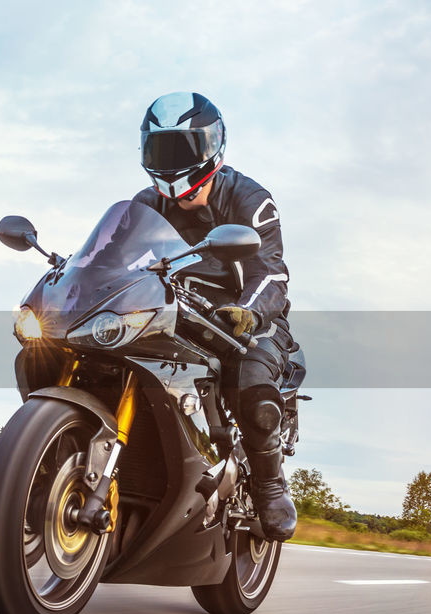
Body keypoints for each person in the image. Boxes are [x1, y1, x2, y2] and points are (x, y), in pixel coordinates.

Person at [132, 91, 298, 541]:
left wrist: (246, 312)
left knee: (251, 383)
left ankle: (269, 484)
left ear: (209, 148)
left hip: (247, 320)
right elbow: (116, 256)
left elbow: (272, 274)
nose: (168, 161)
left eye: (180, 149)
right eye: (160, 148)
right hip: (172, 310)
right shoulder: (145, 204)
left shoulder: (250, 199)